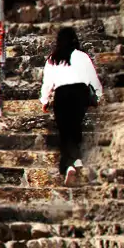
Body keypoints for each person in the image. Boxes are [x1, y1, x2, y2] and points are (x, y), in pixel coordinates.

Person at [39, 27, 103, 185]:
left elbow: (47, 83)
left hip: (62, 94)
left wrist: (45, 100)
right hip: (80, 93)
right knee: (74, 126)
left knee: (65, 130)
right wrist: (99, 95)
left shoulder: (53, 59)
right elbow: (93, 78)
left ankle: (70, 165)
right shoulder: (82, 56)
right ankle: (75, 161)